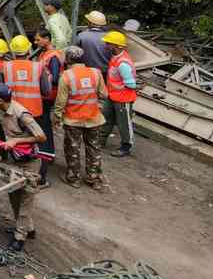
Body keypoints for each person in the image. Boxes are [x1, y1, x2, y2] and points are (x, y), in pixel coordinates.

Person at [0, 83, 47, 251]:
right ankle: (28, 228)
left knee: (26, 198)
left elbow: (41, 136)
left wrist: (17, 140)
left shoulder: (21, 114)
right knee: (14, 195)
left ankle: (20, 237)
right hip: (14, 159)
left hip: (29, 161)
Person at [54, 46, 110, 190]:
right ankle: (93, 178)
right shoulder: (96, 73)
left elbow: (60, 102)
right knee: (94, 148)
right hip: (94, 118)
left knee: (73, 148)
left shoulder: (66, 76)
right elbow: (104, 95)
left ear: (67, 59)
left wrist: (57, 118)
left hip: (73, 120)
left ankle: (74, 178)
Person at [34, 28, 63, 185]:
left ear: (47, 39)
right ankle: (48, 154)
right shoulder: (44, 53)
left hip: (48, 96)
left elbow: (55, 78)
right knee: (43, 124)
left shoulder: (53, 57)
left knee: (44, 125)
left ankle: (48, 154)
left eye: (38, 40)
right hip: (43, 95)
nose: (36, 42)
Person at [102, 30, 138, 157]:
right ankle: (100, 141)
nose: (106, 45)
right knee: (106, 118)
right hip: (113, 96)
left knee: (124, 124)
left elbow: (131, 84)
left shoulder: (122, 63)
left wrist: (118, 87)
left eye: (108, 43)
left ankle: (126, 146)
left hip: (123, 98)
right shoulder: (116, 57)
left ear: (116, 46)